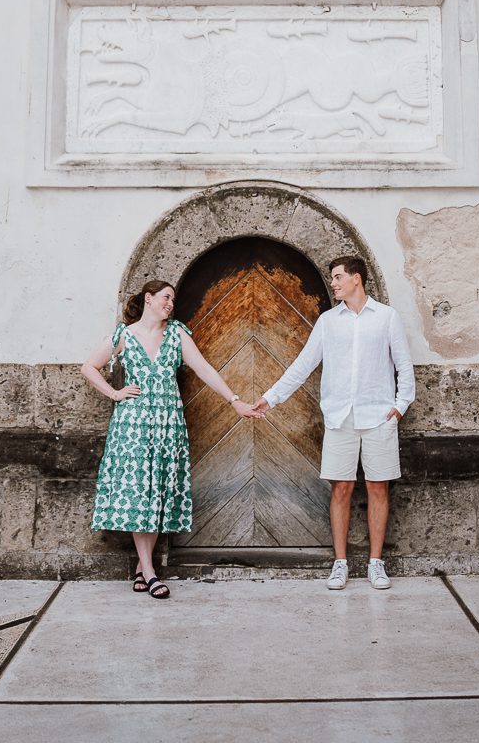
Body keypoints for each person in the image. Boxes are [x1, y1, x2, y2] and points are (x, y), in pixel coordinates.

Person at [81, 278, 259, 598]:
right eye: (166, 298)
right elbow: (89, 367)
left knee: (156, 495)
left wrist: (234, 401)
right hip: (133, 427)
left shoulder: (176, 334)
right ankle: (149, 572)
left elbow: (204, 369)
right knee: (139, 494)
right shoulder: (123, 335)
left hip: (167, 425)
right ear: (149, 299)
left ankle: (141, 566)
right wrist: (115, 393)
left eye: (173, 300)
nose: (170, 304)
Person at [254, 256, 415, 592]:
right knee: (340, 488)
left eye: (339, 277)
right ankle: (340, 563)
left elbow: (404, 365)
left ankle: (376, 563)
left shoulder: (386, 318)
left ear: (357, 279)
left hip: (379, 417)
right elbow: (303, 365)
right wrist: (270, 398)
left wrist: (400, 407)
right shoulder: (328, 322)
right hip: (340, 417)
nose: (334, 283)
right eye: (332, 278)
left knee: (377, 488)